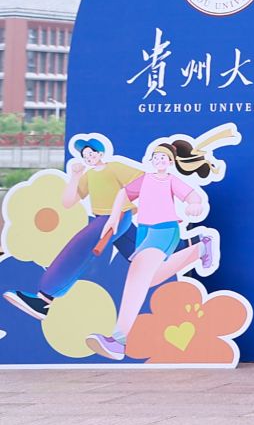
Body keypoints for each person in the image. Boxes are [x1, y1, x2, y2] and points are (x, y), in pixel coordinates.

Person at [83, 137, 221, 361]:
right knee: (148, 279)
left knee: (137, 273)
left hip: (165, 230)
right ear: (151, 160)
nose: (159, 160)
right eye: (156, 157)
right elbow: (123, 194)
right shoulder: (145, 180)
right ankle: (200, 249)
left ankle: (118, 340)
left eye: (164, 157)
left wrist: (195, 204)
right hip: (144, 232)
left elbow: (192, 195)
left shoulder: (171, 180)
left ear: (171, 162)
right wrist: (114, 218)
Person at [4, 134, 141, 321]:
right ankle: (181, 251)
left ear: (100, 153)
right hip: (104, 217)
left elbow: (143, 180)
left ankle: (43, 299)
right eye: (85, 155)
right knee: (140, 253)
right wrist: (75, 177)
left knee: (78, 248)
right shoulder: (89, 176)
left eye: (91, 152)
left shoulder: (114, 167)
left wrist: (123, 202)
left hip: (117, 216)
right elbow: (68, 202)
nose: (89, 157)